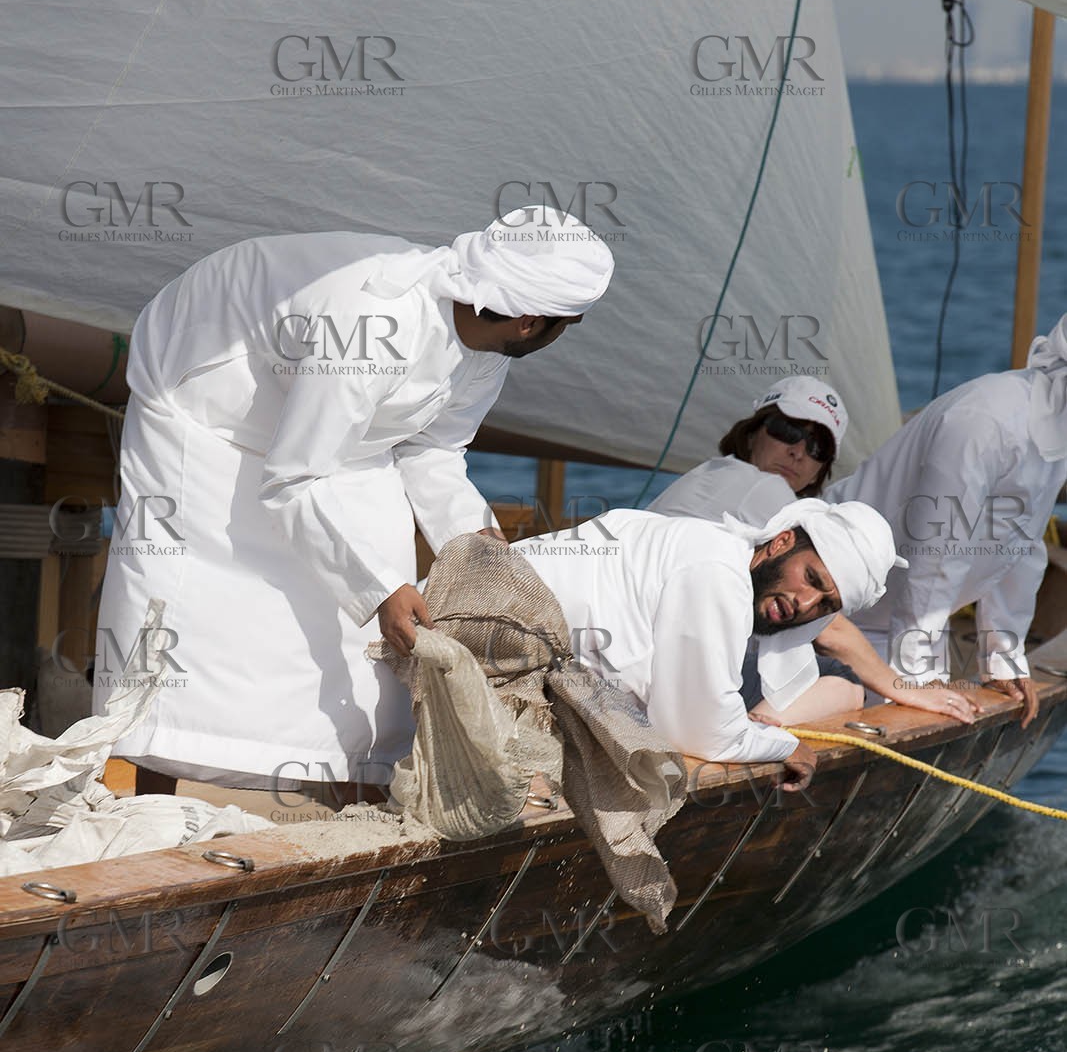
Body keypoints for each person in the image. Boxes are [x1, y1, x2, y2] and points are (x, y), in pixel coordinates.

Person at [92, 209, 615, 800]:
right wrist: (379, 592)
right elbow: (292, 479)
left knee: (360, 617)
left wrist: (480, 553)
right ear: (528, 321)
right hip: (206, 398)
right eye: (567, 324)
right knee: (193, 609)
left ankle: (351, 788)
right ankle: (150, 789)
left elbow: (434, 448)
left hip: (326, 422)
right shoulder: (372, 322)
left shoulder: (488, 344)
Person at [506, 498, 907, 792]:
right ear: (781, 542)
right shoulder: (718, 574)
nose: (805, 603)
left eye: (825, 605)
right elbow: (698, 732)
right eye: (812, 579)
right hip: (505, 648)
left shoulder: (715, 550)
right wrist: (787, 746)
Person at [650, 377, 976, 728]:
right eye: (788, 430)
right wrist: (908, 689)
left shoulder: (708, 474)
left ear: (820, 470)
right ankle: (751, 732)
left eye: (818, 447)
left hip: (649, 645)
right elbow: (829, 631)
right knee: (845, 684)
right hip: (672, 661)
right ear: (751, 432)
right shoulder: (766, 489)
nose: (799, 452)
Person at [827, 313, 1067, 729]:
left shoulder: (1056, 433)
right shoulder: (988, 420)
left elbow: (1022, 545)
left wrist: (1003, 660)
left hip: (895, 622)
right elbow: (937, 552)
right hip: (831, 612)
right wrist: (917, 679)